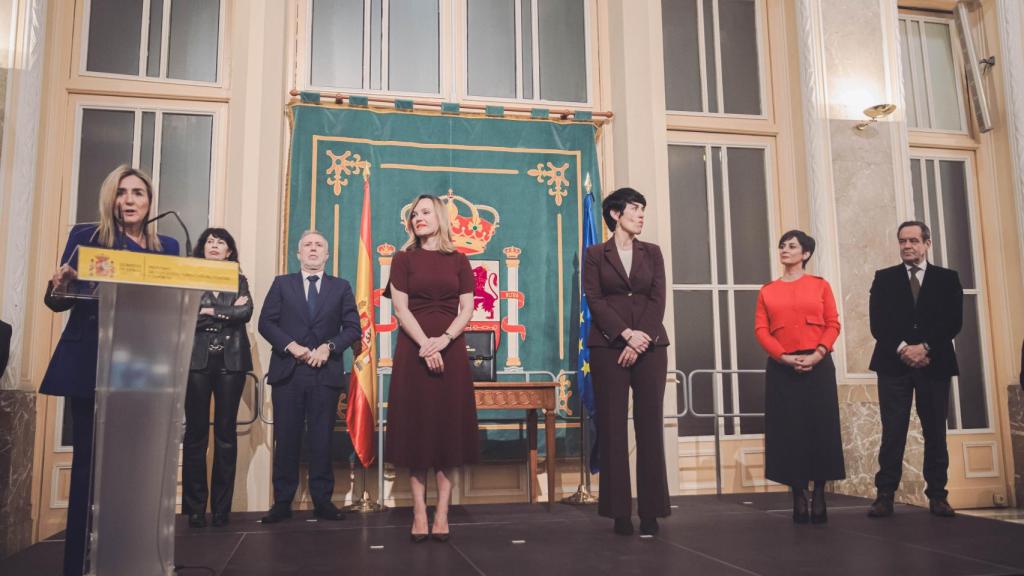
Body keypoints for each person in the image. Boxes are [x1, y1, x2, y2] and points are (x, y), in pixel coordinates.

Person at [40, 165, 180, 576]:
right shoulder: (87, 237)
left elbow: (174, 304)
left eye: (138, 192)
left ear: (150, 201)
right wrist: (61, 283)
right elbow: (57, 301)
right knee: (89, 468)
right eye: (122, 192)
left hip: (142, 369)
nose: (129, 200)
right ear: (110, 199)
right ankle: (78, 566)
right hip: (91, 364)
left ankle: (132, 560)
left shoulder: (168, 247)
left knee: (137, 470)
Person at [385, 194, 478, 543]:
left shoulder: (459, 260)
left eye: (425, 212)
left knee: (447, 430)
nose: (418, 218)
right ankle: (419, 512)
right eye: (414, 214)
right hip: (414, 350)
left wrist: (445, 340)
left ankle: (442, 513)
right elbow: (400, 309)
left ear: (440, 216)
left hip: (451, 350)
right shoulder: (403, 259)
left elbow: (467, 309)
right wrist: (426, 344)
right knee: (417, 430)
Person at [583, 187, 670, 536]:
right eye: (635, 208)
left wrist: (641, 336)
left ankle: (652, 511)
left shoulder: (653, 252)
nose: (641, 214)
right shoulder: (595, 254)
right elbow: (594, 298)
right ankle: (619, 511)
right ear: (615, 214)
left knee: (650, 427)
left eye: (642, 209)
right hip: (608, 347)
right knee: (613, 428)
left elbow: (658, 297)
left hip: (651, 347)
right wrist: (624, 335)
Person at [257, 229, 360, 523]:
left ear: (327, 255)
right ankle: (282, 502)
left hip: (324, 374)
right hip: (288, 372)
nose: (313, 249)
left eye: (318, 245)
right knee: (286, 438)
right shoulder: (282, 284)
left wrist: (329, 347)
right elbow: (266, 323)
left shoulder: (341, 287)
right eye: (307, 245)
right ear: (298, 253)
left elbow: (353, 328)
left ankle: (323, 501)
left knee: (321, 439)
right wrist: (291, 346)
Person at [868, 220, 963, 518]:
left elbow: (953, 321)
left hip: (934, 364)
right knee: (893, 431)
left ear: (927, 244)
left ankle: (938, 496)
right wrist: (903, 349)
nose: (907, 246)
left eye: (913, 240)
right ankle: (885, 496)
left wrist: (925, 347)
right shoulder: (884, 278)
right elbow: (878, 323)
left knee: (935, 432)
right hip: (892, 364)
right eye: (902, 241)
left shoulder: (947, 278)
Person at [754, 230, 845, 524]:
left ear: (805, 254)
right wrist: (783, 357)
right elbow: (761, 330)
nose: (785, 249)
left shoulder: (820, 286)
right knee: (788, 430)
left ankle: (819, 492)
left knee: (821, 428)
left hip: (818, 364)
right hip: (782, 367)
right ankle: (797, 493)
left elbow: (833, 323)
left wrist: (818, 354)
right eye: (782, 245)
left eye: (792, 246)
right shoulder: (768, 290)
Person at [181, 228, 253, 528]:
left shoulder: (238, 278)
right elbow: (185, 315)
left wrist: (209, 310)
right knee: (195, 434)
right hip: (196, 360)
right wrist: (225, 311)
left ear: (229, 251)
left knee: (226, 435)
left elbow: (246, 311)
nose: (214, 245)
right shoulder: (189, 275)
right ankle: (195, 508)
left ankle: (222, 509)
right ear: (203, 248)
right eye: (210, 241)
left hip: (230, 361)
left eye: (220, 242)